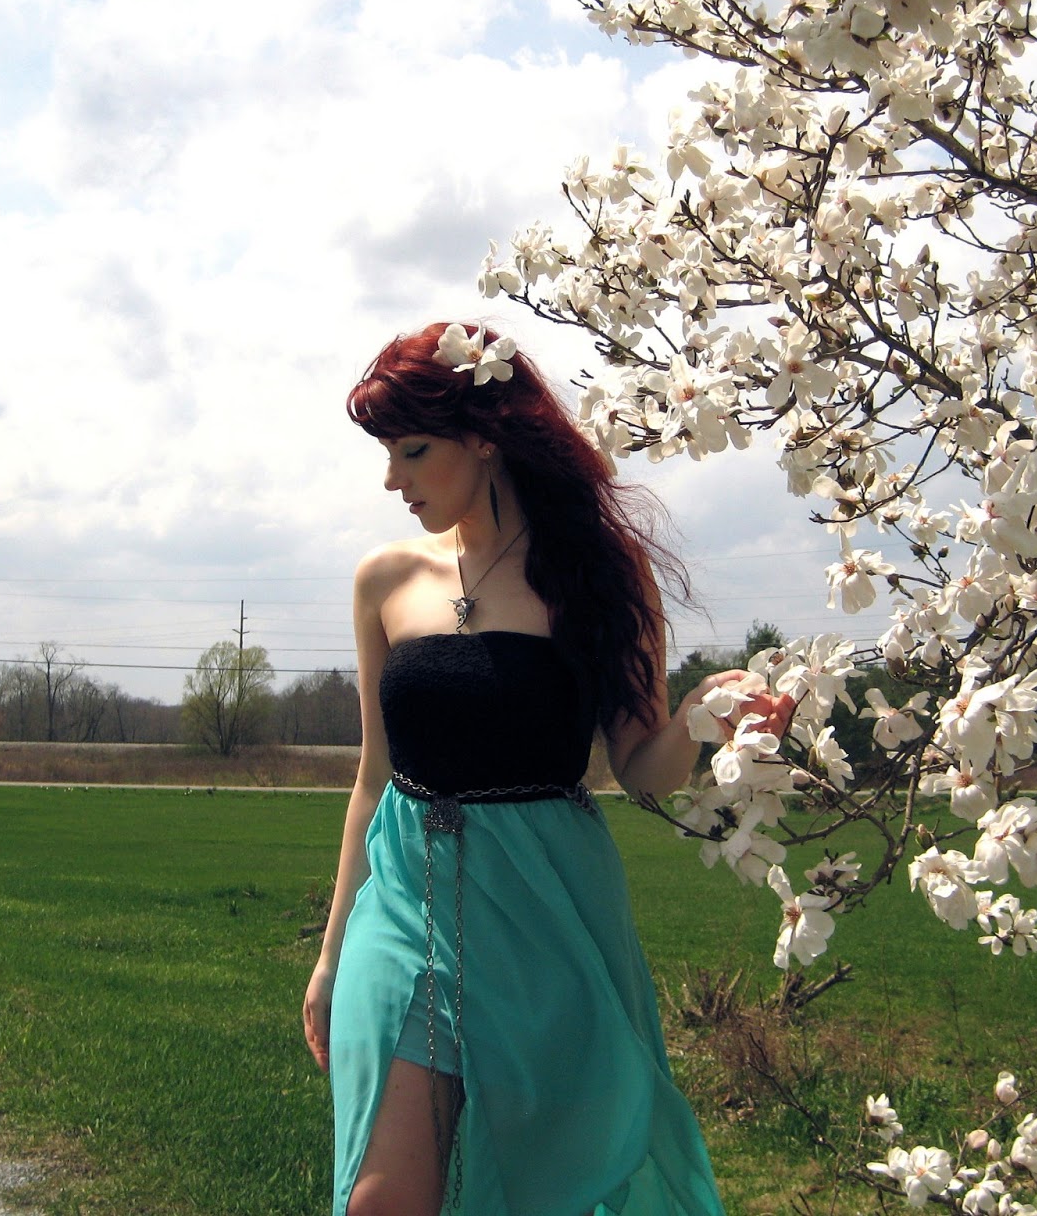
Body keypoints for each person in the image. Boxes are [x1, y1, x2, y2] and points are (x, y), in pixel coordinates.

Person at [302, 321, 793, 1216]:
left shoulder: (600, 573)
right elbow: (373, 777)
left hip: (545, 908)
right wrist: (333, 957)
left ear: (485, 438)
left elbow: (641, 768)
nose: (392, 481)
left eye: (412, 451)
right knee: (380, 1198)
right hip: (403, 905)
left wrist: (700, 715)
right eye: (385, 454)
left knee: (551, 1190)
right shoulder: (384, 579)